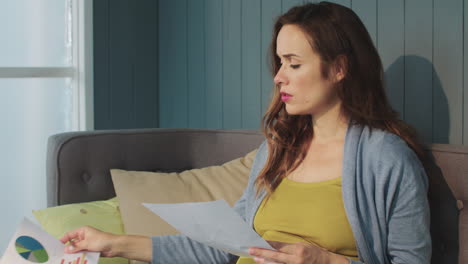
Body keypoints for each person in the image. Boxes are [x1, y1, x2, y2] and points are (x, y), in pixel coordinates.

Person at [60, 2, 431, 264]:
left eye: (294, 63)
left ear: (338, 68)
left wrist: (328, 263)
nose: (278, 76)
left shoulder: (387, 159)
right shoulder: (277, 149)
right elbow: (222, 249)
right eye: (279, 61)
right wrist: (112, 244)